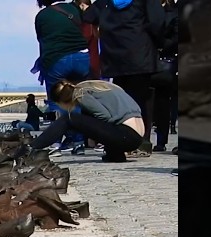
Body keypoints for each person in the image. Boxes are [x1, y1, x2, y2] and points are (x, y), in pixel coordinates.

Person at [81, 0, 166, 152]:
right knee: (142, 100)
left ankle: (123, 139)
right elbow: (157, 22)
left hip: (114, 56)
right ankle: (142, 142)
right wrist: (157, 41)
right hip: (140, 51)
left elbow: (88, 15)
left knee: (122, 102)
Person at [30, 79, 145, 162]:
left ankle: (30, 148)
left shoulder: (81, 94)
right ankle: (115, 154)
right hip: (136, 135)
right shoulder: (96, 87)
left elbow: (105, 116)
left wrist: (90, 131)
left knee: (68, 119)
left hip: (127, 135)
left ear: (61, 102)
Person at [32, 0, 91, 149]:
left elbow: (42, 41)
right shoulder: (74, 9)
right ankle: (78, 142)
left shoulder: (42, 16)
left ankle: (56, 141)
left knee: (56, 100)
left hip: (57, 60)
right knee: (76, 99)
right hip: (82, 58)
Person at [150, 0, 178, 150]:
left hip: (167, 60)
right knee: (161, 102)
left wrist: (159, 43)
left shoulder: (171, 14)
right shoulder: (166, 13)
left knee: (163, 102)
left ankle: (161, 140)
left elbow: (174, 39)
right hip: (161, 61)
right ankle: (160, 140)